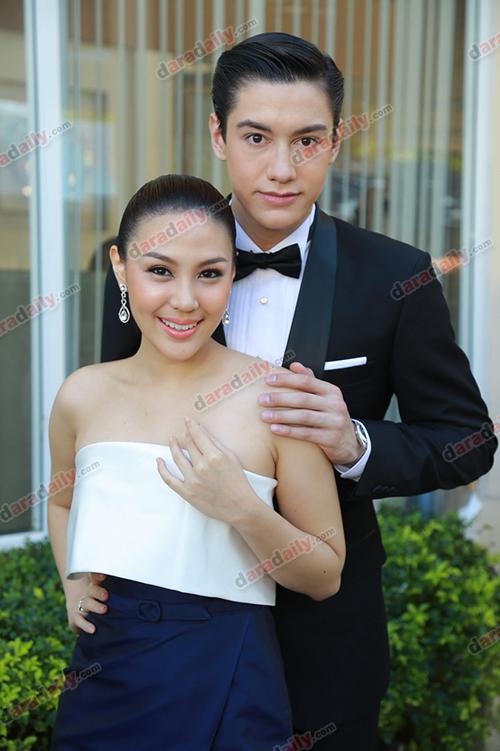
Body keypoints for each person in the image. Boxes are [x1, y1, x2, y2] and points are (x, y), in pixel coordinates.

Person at [86, 33, 495, 750]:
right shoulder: (154, 257)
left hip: (326, 637)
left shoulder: (395, 275)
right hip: (171, 633)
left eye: (307, 140)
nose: (282, 168)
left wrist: (356, 443)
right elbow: (118, 421)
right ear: (218, 136)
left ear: (335, 141)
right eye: (256, 137)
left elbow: (469, 441)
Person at [48, 173, 346, 751]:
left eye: (209, 274)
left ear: (232, 273)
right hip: (105, 673)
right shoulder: (82, 395)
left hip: (231, 675)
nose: (185, 300)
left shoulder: (275, 399)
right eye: (160, 271)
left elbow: (326, 574)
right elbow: (61, 502)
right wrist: (71, 584)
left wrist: (243, 510)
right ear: (120, 268)